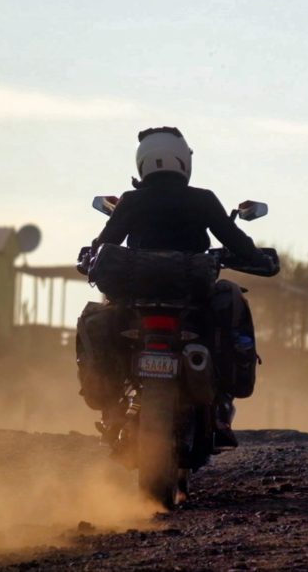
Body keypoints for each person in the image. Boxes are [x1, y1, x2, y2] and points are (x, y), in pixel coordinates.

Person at [92, 126, 270, 448]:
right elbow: (237, 243)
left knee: (101, 316)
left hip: (138, 299)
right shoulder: (203, 199)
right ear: (183, 161)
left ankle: (111, 408)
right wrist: (260, 259)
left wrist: (90, 256)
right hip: (192, 297)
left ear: (142, 163)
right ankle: (221, 408)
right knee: (230, 300)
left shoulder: (131, 201)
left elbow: (103, 246)